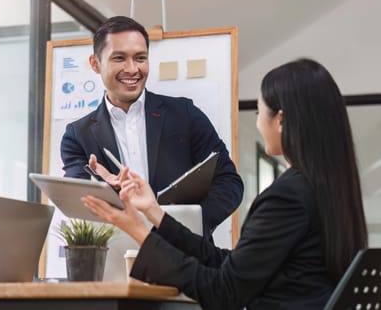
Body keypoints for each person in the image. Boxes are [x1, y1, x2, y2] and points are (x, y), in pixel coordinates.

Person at [82, 58, 368, 309]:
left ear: (280, 120)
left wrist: (138, 232)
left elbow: (223, 292)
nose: (258, 123)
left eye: (259, 112)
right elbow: (231, 266)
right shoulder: (328, 189)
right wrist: (154, 213)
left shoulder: (288, 196)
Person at [61, 16, 243, 232]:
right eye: (119, 58)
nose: (132, 69)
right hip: (116, 255)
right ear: (95, 63)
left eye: (140, 58)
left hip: (185, 257)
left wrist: (187, 227)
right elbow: (79, 206)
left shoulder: (185, 115)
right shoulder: (77, 135)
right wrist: (104, 189)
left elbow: (229, 182)